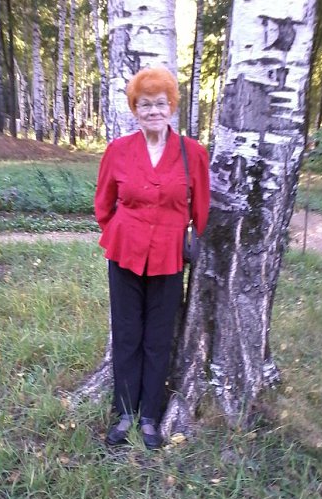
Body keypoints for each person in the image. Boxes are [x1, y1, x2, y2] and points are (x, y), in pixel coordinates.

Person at [94, 66, 210, 449]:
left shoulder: (193, 153)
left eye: (161, 103)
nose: (154, 111)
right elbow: (103, 205)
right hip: (125, 253)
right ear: (135, 109)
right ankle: (125, 411)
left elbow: (201, 210)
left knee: (158, 337)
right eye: (145, 104)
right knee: (127, 333)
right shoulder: (118, 150)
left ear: (172, 106)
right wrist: (125, 233)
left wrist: (176, 235)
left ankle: (149, 416)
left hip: (168, 258)